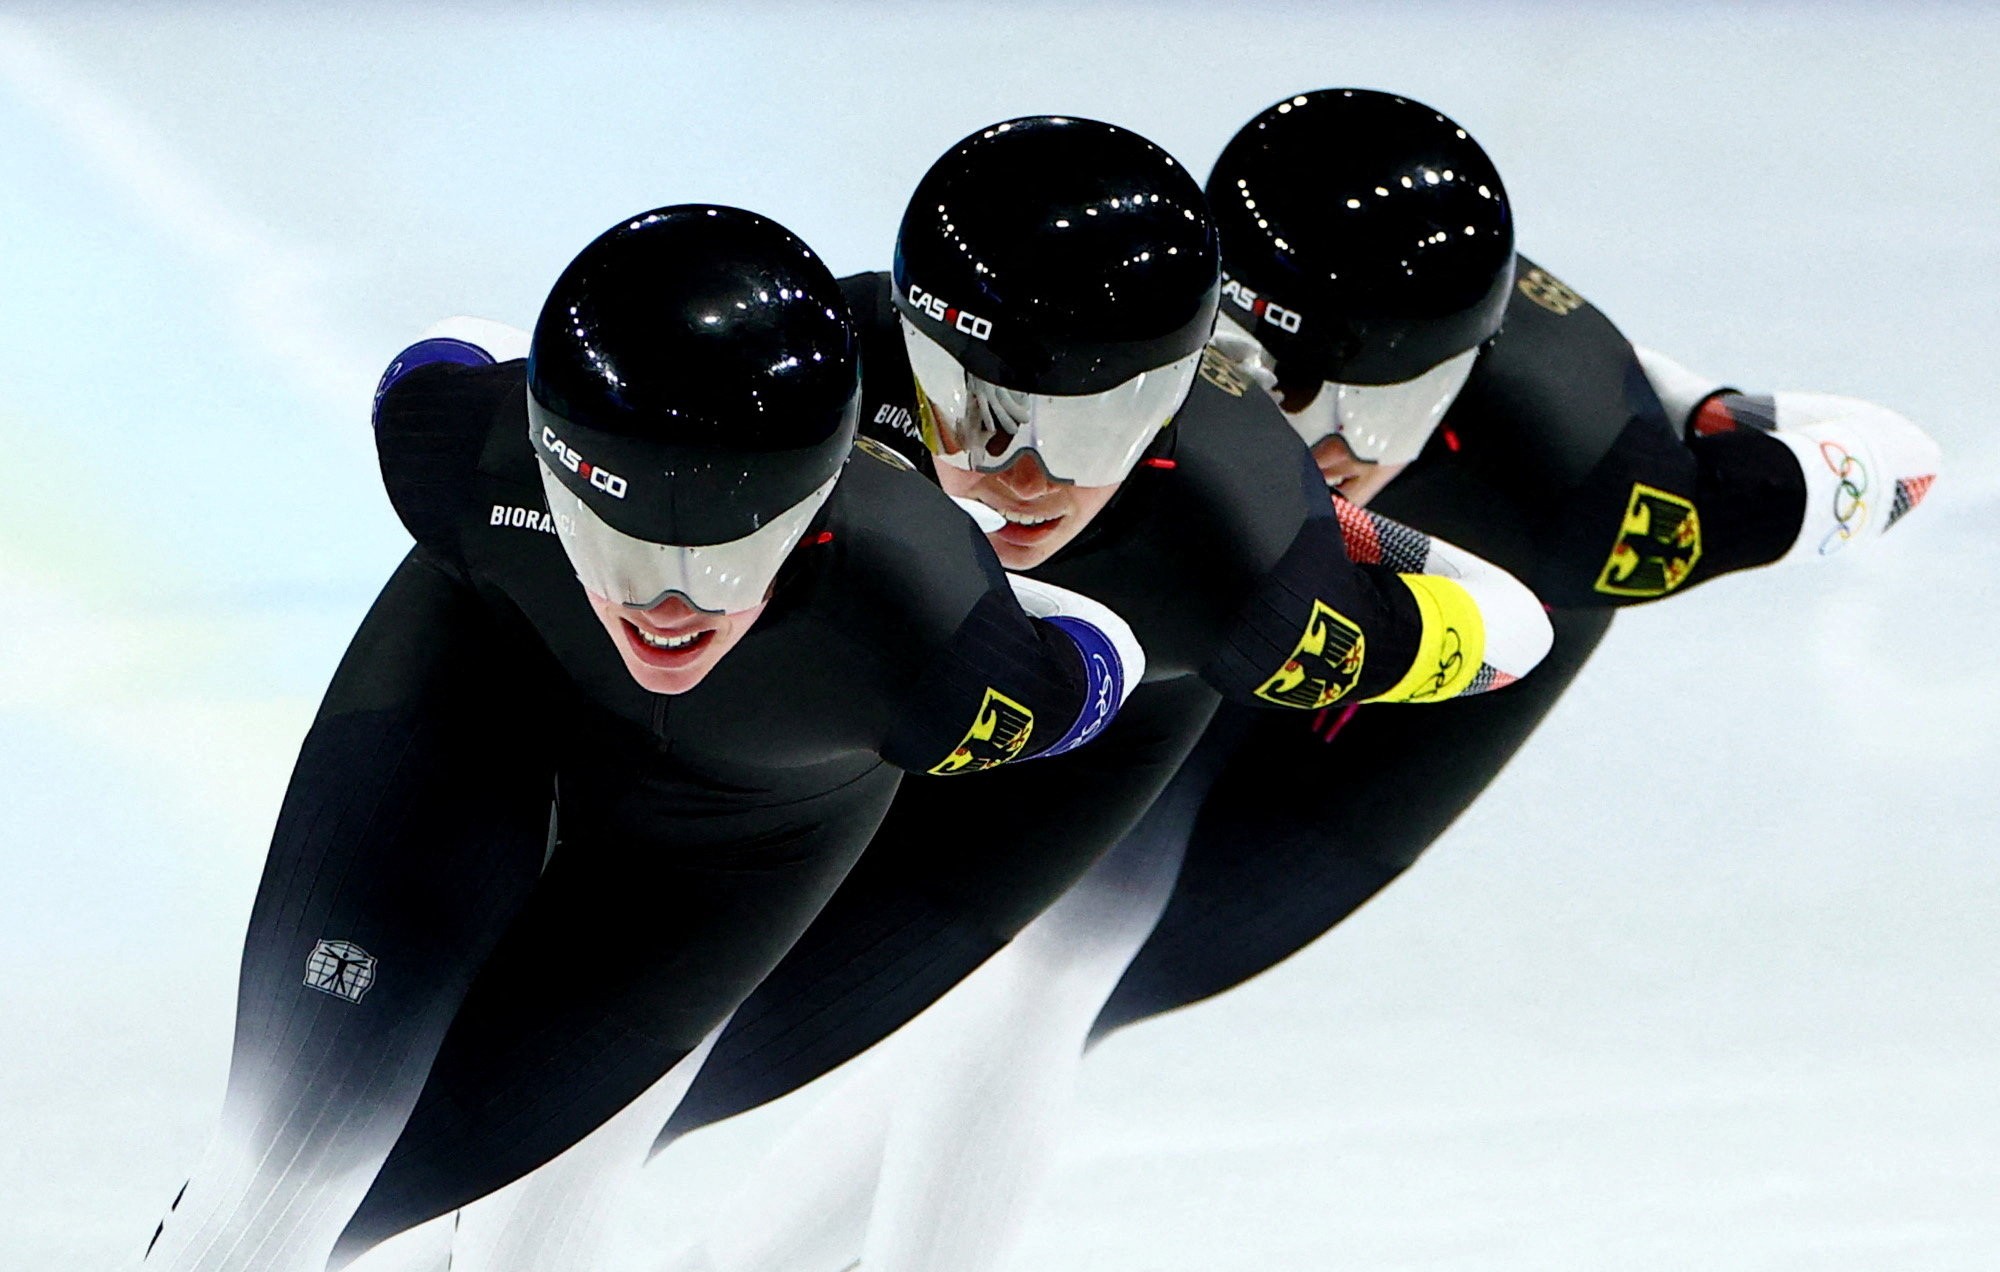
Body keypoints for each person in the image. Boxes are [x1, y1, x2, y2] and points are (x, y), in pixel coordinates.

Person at [650, 90, 1942, 1272]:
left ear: (1457, 386)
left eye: (1361, 419)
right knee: (1008, 970)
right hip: (1208, 610)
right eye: (1256, 383)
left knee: (1055, 969)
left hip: (1406, 687)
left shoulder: (1589, 491)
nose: (1300, 446)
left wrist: (1703, 405)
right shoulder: (1135, 395)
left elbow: (1900, 457)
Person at [323, 116, 1556, 1271]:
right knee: (568, 1112)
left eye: (1082, 436)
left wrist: (1370, 552)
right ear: (906, 340)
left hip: (1024, 779)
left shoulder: (1242, 565)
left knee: (714, 1071)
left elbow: (1508, 633)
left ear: (1168, 413)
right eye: (966, 404)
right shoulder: (796, 379)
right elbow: (494, 389)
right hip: (805, 738)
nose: (1014, 473)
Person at [133, 203, 1148, 1272]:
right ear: (552, 475)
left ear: (817, 514)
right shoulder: (461, 456)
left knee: (489, 1216)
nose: (668, 607)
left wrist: (994, 587)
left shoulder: (922, 621)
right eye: (618, 547)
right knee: (286, 1175)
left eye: (726, 559)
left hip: (720, 853)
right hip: (476, 706)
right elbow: (451, 364)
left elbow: (1100, 651)